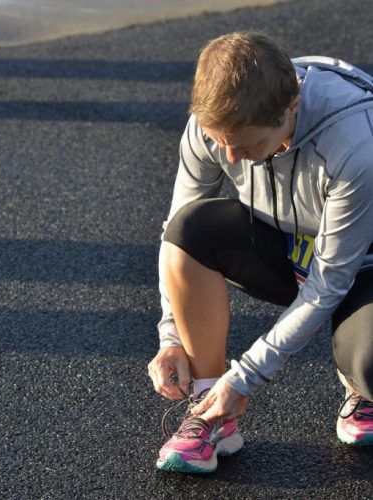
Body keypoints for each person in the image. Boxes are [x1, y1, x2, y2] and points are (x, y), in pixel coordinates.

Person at [147, 31, 373, 474]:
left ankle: (361, 384)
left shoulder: (355, 145)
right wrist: (170, 336)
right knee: (189, 228)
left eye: (247, 146)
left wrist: (246, 377)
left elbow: (331, 282)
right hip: (287, 244)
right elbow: (175, 232)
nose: (232, 157)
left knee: (369, 364)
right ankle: (211, 412)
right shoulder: (212, 125)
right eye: (221, 141)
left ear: (291, 108)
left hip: (363, 264)